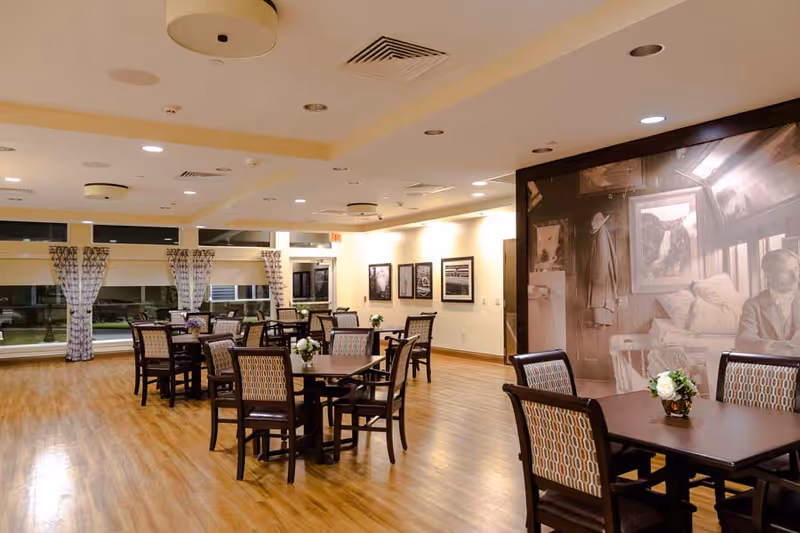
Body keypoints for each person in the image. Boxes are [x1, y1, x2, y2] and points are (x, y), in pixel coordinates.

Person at [735, 249, 800, 356]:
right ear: (769, 276)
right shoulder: (753, 305)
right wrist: (775, 347)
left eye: (796, 269)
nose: (795, 276)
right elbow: (743, 341)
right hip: (769, 370)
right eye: (785, 271)